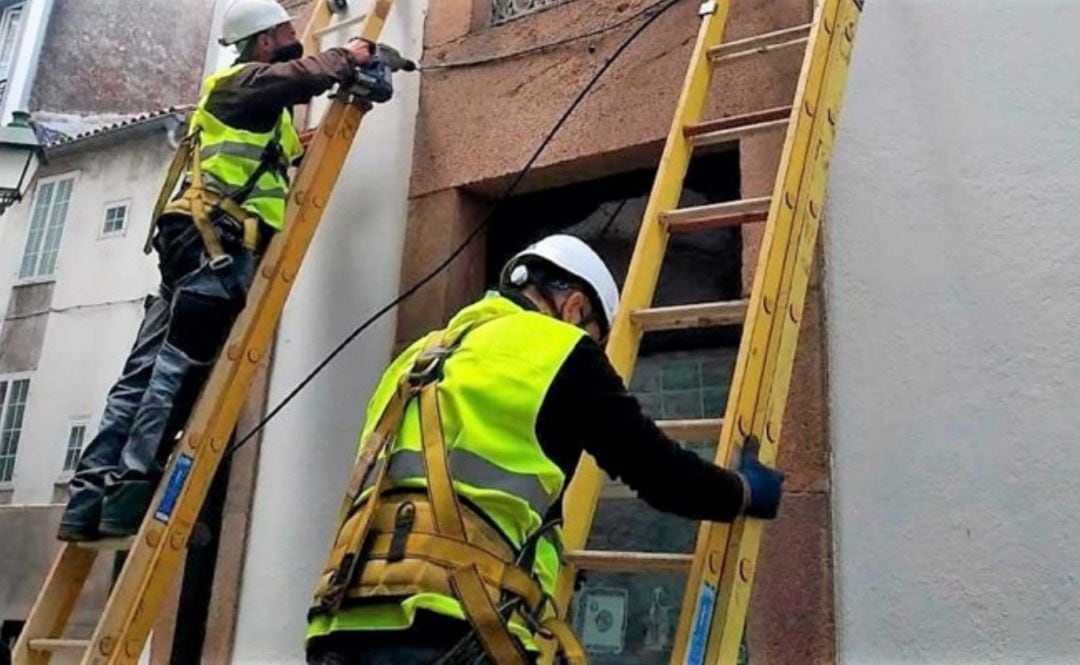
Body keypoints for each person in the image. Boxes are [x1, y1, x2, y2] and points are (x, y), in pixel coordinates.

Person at [306, 234, 785, 664]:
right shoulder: (558, 348)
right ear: (575, 307)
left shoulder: (415, 357)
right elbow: (660, 474)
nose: (594, 346)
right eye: (598, 335)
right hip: (450, 622)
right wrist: (745, 491)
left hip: (338, 625)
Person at [58, 0, 375, 541]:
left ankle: (88, 498)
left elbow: (271, 156)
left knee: (144, 371)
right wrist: (350, 55)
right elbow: (304, 75)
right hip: (216, 247)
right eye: (281, 31)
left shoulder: (253, 111)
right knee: (179, 370)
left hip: (195, 242)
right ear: (263, 42)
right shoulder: (242, 84)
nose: (289, 36)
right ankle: (131, 489)